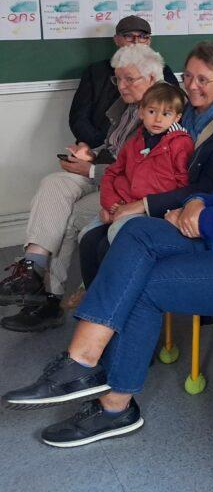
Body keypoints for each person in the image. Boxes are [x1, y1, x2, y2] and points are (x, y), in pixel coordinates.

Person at [2, 53, 213, 448]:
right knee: (137, 231)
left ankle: (114, 406)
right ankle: (82, 361)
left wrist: (200, 220)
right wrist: (196, 203)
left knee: (144, 285)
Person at [0, 44, 164, 332]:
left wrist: (90, 169)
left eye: (129, 79)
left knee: (70, 214)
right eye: (117, 79)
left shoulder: (161, 112)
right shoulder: (128, 105)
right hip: (105, 172)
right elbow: (113, 148)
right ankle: (32, 272)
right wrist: (91, 154)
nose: (121, 86)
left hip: (128, 191)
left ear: (151, 78)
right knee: (53, 184)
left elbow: (142, 173)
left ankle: (47, 302)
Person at [77, 42, 213, 288]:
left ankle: (120, 305)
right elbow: (136, 164)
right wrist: (116, 202)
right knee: (90, 240)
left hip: (188, 212)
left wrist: (143, 205)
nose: (191, 85)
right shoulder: (175, 109)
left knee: (110, 243)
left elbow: (209, 186)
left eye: (202, 79)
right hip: (149, 196)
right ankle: (96, 303)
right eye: (187, 76)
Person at [97, 83, 193, 241]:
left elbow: (183, 185)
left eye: (166, 114)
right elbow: (112, 172)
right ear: (141, 112)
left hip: (153, 211)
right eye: (152, 111)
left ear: (177, 118)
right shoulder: (134, 141)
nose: (158, 119)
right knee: (87, 233)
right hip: (123, 202)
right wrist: (110, 203)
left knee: (117, 232)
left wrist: (158, 208)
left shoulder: (181, 144)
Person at [68, 15, 178, 147]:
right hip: (100, 144)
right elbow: (79, 117)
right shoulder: (96, 72)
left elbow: (172, 110)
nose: (136, 42)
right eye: (129, 36)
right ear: (116, 40)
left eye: (142, 37)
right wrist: (97, 147)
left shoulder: (162, 71)